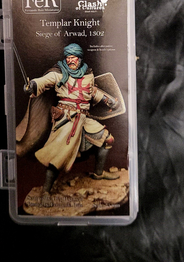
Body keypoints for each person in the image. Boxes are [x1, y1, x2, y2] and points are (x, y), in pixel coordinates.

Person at [24, 43, 119, 204]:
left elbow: (92, 91)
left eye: (73, 58)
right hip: (67, 120)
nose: (70, 61)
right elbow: (43, 81)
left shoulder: (87, 74)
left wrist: (108, 101)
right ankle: (46, 192)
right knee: (57, 157)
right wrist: (32, 85)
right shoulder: (59, 73)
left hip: (83, 119)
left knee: (107, 139)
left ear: (79, 59)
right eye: (68, 57)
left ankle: (98, 174)